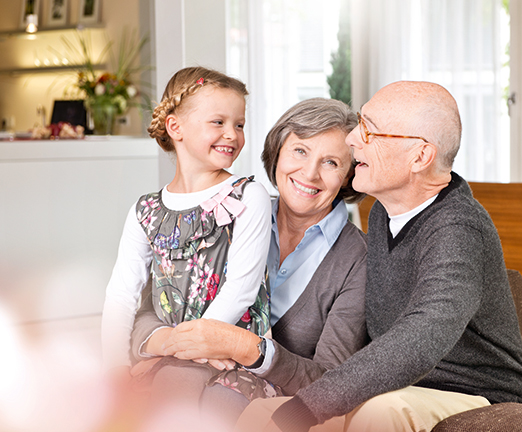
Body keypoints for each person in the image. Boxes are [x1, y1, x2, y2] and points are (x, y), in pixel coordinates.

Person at [236, 81, 522, 432]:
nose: (352, 139)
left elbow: (421, 336)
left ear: (420, 157)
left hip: (477, 393)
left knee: (379, 412)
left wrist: (305, 408)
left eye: (370, 130)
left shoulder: (458, 227)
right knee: (260, 414)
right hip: (402, 387)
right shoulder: (383, 213)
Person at [127, 97, 369, 427]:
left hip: (271, 405)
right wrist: (176, 343)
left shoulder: (358, 259)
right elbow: (148, 313)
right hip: (183, 372)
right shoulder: (229, 213)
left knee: (214, 401)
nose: (310, 173)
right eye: (300, 151)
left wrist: (247, 349)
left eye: (331, 162)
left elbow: (331, 383)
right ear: (277, 152)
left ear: (349, 175)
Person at [101, 66, 272, 370]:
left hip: (225, 356)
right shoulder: (146, 211)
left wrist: (188, 347)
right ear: (175, 127)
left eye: (240, 124)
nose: (232, 134)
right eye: (218, 122)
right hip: (167, 356)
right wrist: (116, 369)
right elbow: (122, 295)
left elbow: (241, 290)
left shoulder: (248, 196)